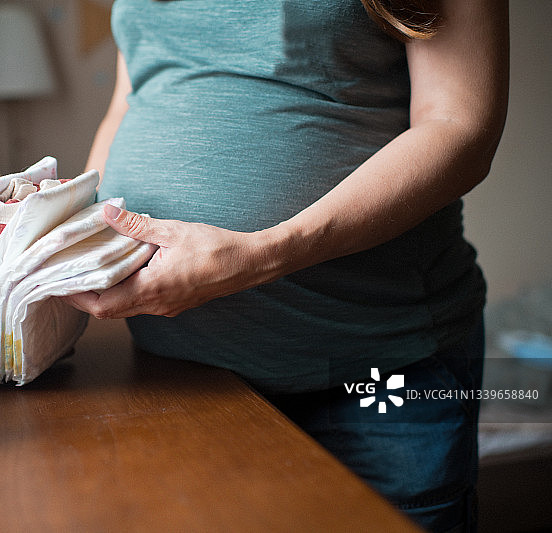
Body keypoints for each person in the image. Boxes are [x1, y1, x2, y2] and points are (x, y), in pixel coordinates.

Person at [65, 1, 509, 531]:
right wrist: (76, 232)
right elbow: (134, 92)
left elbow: (460, 125)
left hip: (376, 366)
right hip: (176, 377)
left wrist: (264, 253)